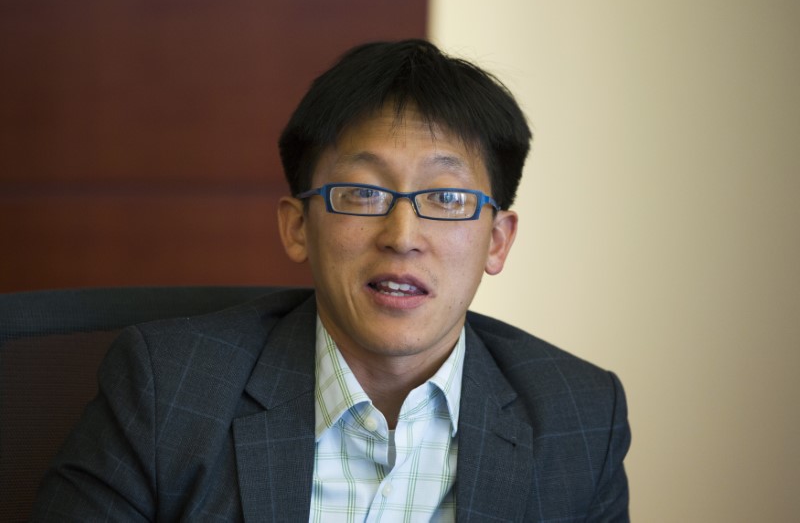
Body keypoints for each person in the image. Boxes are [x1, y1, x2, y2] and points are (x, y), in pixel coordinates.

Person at [32, 39, 630, 522]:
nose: (402, 234)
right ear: (297, 227)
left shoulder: (577, 417)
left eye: (446, 197)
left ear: (497, 240)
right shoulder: (170, 387)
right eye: (363, 193)